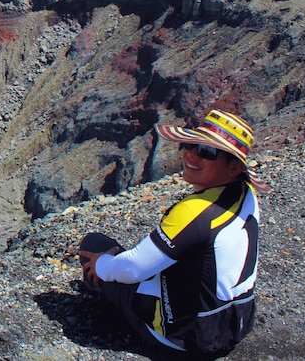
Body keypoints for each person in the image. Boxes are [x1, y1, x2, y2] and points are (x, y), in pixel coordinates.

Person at [78, 109, 262, 356]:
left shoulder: (195, 212)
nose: (191, 155)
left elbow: (134, 269)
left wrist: (102, 265)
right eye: (189, 144)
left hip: (185, 339)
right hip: (232, 325)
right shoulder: (246, 193)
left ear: (233, 167)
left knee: (95, 245)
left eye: (207, 152)